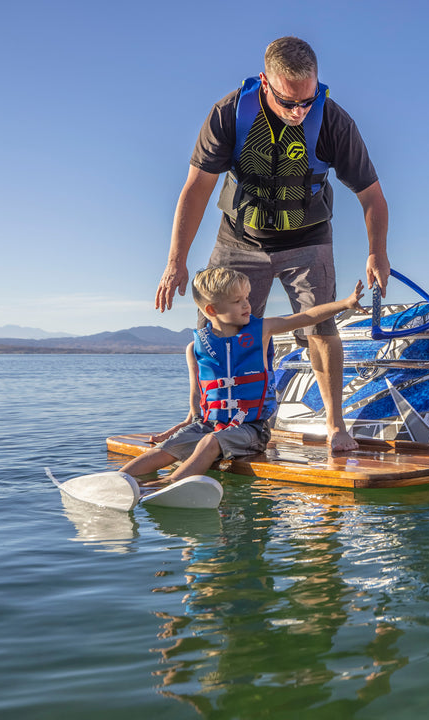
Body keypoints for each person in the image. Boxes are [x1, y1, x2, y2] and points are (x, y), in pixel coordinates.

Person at [154, 36, 389, 453]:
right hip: (239, 238)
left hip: (309, 237)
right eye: (288, 102)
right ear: (265, 82)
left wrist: (377, 252)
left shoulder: (333, 121)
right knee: (218, 329)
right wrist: (177, 260)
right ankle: (202, 418)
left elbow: (372, 195)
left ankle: (336, 426)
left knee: (320, 326)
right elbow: (195, 190)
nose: (300, 112)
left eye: (308, 100)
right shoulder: (229, 114)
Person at [123, 267, 365, 484]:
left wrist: (345, 303)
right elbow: (197, 396)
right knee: (166, 448)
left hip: (251, 429)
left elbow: (306, 317)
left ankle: (170, 485)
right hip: (208, 425)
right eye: (238, 301)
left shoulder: (262, 331)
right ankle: (120, 479)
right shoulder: (195, 348)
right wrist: (188, 424)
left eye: (246, 298)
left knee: (210, 442)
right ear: (211, 310)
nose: (247, 305)